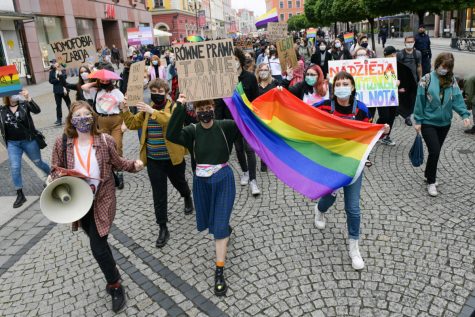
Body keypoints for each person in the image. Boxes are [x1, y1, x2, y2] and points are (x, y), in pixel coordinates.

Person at [49, 100, 144, 313]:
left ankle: (115, 285)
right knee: (99, 241)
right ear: (71, 119)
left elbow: (117, 163)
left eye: (86, 114)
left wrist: (134, 166)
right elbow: (55, 169)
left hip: (103, 197)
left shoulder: (104, 140)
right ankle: (113, 276)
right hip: (78, 202)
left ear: (93, 117)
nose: (82, 118)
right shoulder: (62, 142)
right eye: (78, 115)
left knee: (97, 246)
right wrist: (57, 177)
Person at [312, 71, 390, 270]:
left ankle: (354, 248)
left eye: (345, 83)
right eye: (338, 84)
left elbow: (370, 135)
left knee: (353, 208)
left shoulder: (362, 109)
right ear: (333, 87)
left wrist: (383, 132)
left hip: (354, 164)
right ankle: (319, 211)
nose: (341, 87)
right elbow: (301, 115)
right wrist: (281, 95)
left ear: (353, 87)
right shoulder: (324, 106)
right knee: (329, 197)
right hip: (330, 163)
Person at [167, 96, 239, 297]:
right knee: (210, 220)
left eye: (208, 108)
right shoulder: (192, 131)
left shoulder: (226, 126)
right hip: (202, 181)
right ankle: (224, 226)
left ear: (213, 108)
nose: (205, 112)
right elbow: (172, 134)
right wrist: (180, 105)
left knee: (219, 226)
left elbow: (247, 123)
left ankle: (219, 270)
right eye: (200, 109)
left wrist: (237, 100)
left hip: (223, 178)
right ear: (195, 112)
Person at [121, 79, 193, 248]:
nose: (157, 94)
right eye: (154, 91)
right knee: (158, 194)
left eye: (161, 91)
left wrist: (152, 110)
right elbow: (132, 123)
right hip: (154, 160)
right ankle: (163, 227)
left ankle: (187, 196)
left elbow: (170, 120)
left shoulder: (174, 106)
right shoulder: (146, 111)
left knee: (179, 183)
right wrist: (124, 109)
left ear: (167, 93)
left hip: (173, 158)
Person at [413, 53, 471, 197]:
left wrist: (464, 114)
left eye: (447, 68)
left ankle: (428, 174)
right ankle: (431, 182)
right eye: (442, 66)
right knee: (435, 151)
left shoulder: (451, 80)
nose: (444, 69)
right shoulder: (425, 79)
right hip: (428, 122)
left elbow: (457, 98)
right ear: (437, 64)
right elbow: (419, 101)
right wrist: (418, 120)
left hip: (445, 123)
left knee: (435, 151)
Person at [0, 90, 50, 208]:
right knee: (15, 167)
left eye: (17, 93)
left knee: (38, 163)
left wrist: (28, 98)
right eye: (12, 94)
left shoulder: (24, 105)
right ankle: (20, 194)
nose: (15, 95)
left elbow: (37, 110)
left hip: (29, 141)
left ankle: (52, 177)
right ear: (7, 96)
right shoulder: (2, 110)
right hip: (13, 144)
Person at [81, 70, 126, 189]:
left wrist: (125, 123)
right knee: (105, 146)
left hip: (116, 120)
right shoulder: (94, 91)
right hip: (101, 121)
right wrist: (96, 84)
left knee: (117, 145)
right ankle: (109, 171)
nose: (105, 82)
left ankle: (119, 171)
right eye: (103, 80)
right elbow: (83, 86)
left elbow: (124, 107)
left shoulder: (116, 92)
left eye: (107, 80)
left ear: (111, 81)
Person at [396, 35, 422, 126]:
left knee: (412, 99)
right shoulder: (400, 54)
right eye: (408, 42)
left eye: (411, 42)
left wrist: (420, 78)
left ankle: (408, 116)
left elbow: (419, 66)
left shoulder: (417, 53)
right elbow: (396, 67)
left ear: (414, 42)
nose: (410, 43)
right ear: (405, 43)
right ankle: (402, 112)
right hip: (403, 81)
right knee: (403, 98)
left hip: (413, 80)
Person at [49, 61, 71, 126]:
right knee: (58, 105)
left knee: (68, 103)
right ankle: (59, 119)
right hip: (57, 91)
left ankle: (72, 116)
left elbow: (65, 78)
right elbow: (50, 81)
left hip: (64, 90)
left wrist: (60, 75)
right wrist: (57, 79)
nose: (55, 64)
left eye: (56, 63)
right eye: (54, 63)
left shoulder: (63, 70)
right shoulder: (51, 72)